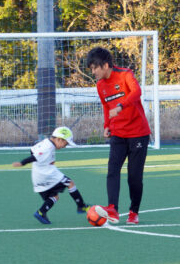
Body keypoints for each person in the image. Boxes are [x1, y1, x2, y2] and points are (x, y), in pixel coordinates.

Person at [86, 46, 151, 225]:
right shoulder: (100, 86)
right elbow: (106, 107)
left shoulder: (125, 75)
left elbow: (137, 92)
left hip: (138, 133)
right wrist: (106, 125)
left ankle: (133, 212)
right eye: (91, 69)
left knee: (134, 177)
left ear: (105, 65)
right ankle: (112, 209)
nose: (93, 72)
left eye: (94, 68)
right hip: (118, 134)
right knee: (112, 170)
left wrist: (121, 106)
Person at [12, 126, 89, 225]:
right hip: (48, 174)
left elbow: (32, 150)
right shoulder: (47, 148)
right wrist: (22, 163)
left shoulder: (45, 142)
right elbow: (34, 157)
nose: (65, 146)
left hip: (38, 175)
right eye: (65, 143)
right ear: (59, 139)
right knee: (70, 183)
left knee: (54, 196)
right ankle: (81, 206)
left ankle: (41, 212)